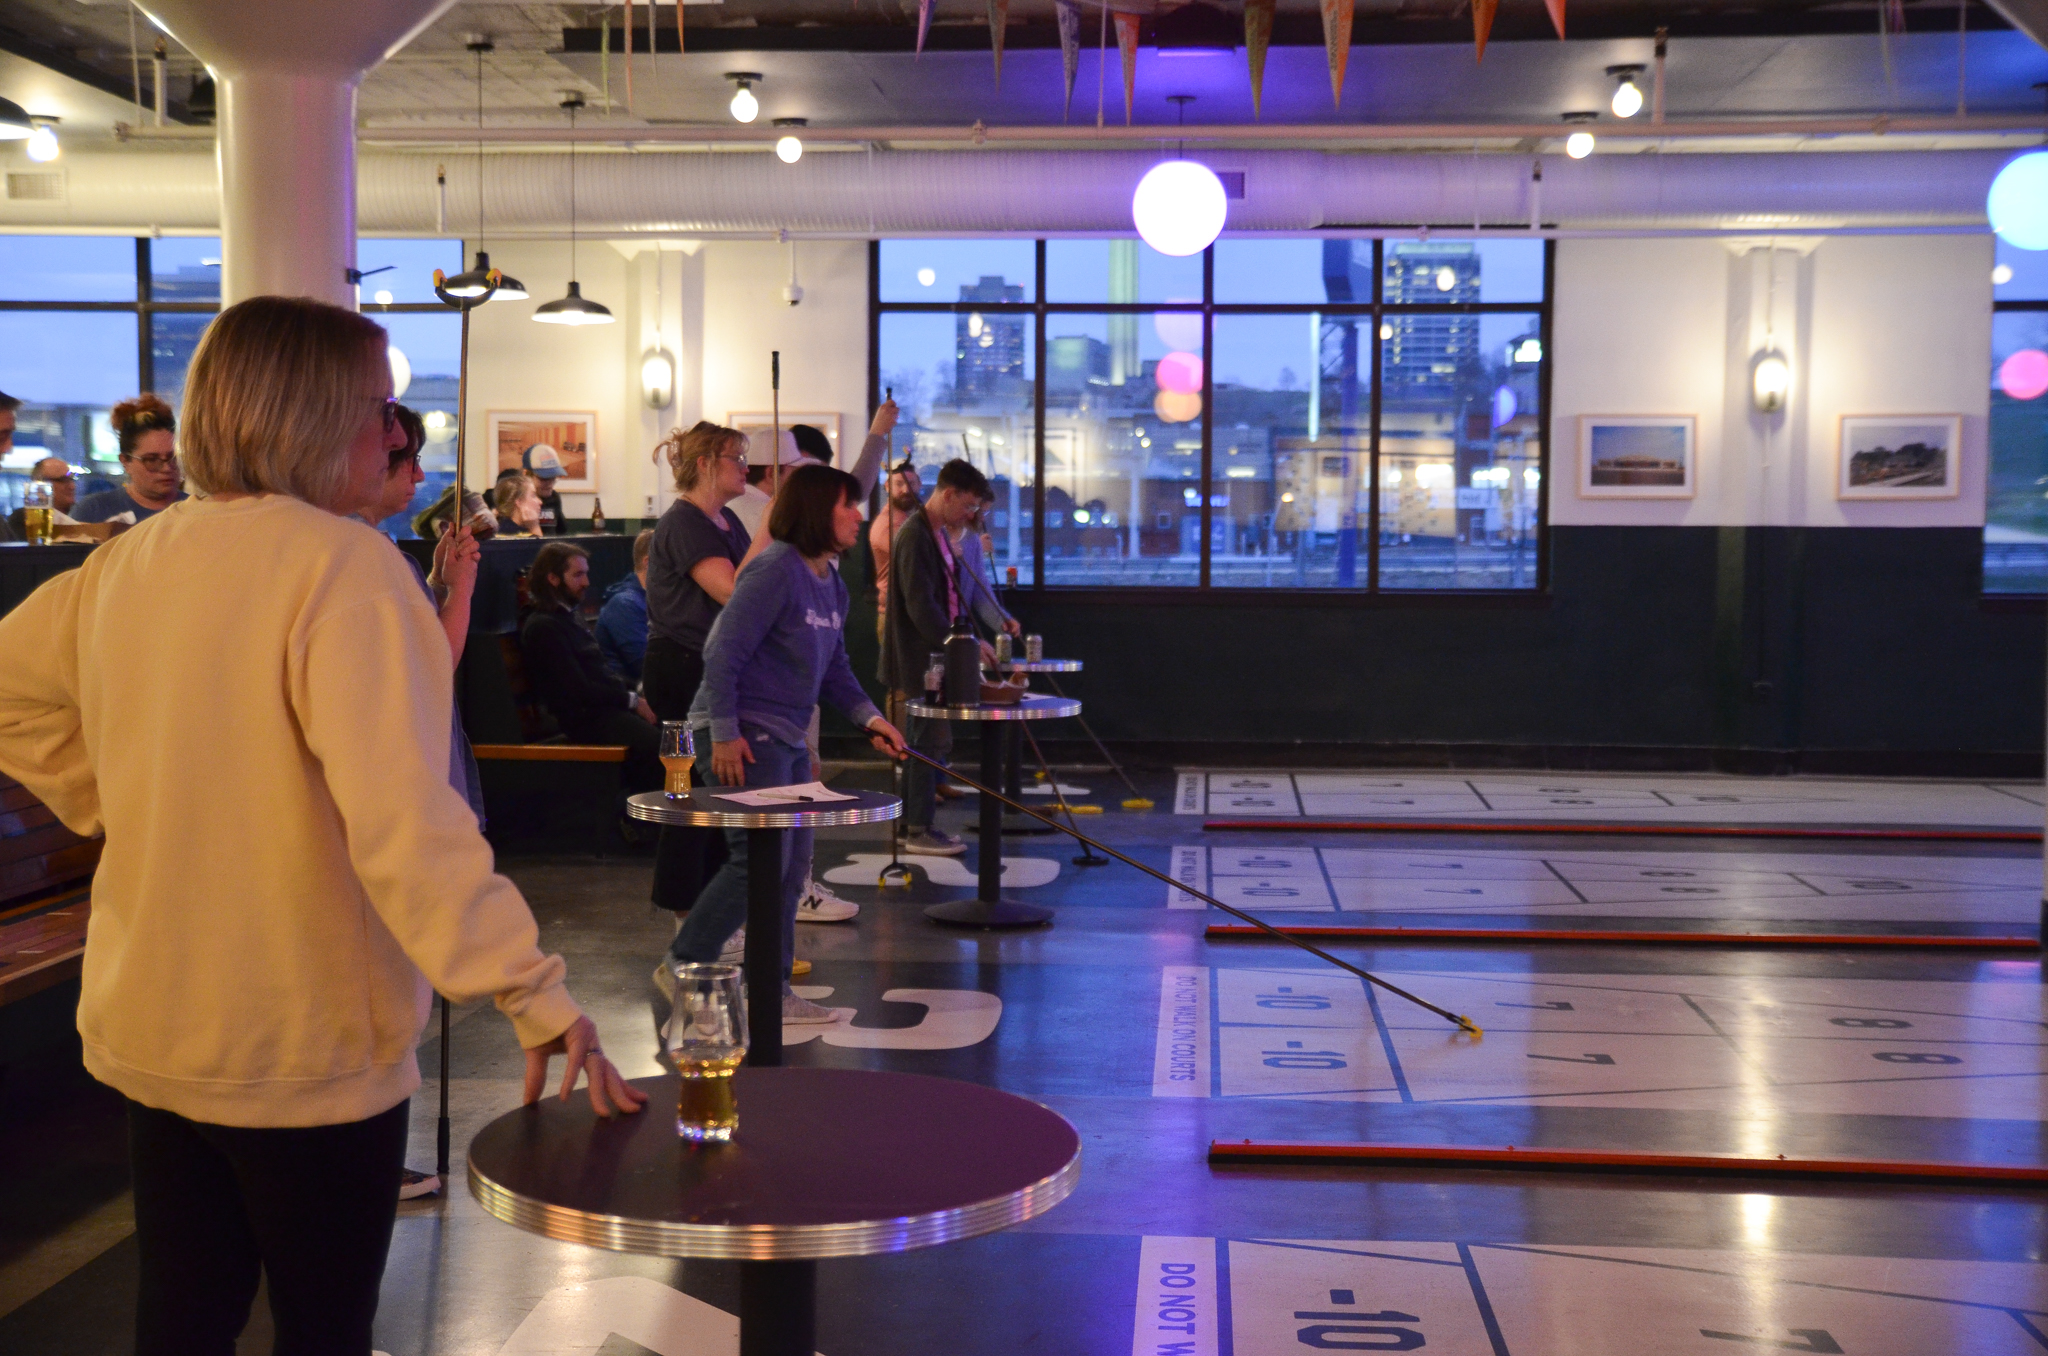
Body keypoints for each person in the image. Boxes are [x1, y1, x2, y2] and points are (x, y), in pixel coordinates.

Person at [0, 295, 643, 1354]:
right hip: (305, 1036)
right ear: (312, 413)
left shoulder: (125, 563)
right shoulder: (345, 569)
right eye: (380, 407)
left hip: (154, 1026)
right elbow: (407, 828)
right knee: (324, 1329)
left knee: (183, 1319)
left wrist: (115, 794)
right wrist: (532, 992)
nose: (395, 434)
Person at [666, 463, 907, 1024]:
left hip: (787, 736)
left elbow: (837, 669)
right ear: (818, 511)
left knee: (792, 868)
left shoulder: (832, 580)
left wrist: (873, 720)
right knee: (758, 863)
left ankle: (771, 991)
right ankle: (686, 962)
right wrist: (723, 734)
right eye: (847, 505)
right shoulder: (775, 569)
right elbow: (721, 654)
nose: (857, 515)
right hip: (741, 732)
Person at [347, 403, 485, 1201]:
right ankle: (371, 1160)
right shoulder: (360, 553)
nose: (420, 479)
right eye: (407, 464)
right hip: (397, 793)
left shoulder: (379, 553)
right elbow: (433, 661)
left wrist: (435, 580)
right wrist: (460, 590)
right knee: (389, 983)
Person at [643, 422, 752, 922]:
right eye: (737, 457)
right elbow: (734, 590)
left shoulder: (726, 519)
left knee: (717, 791)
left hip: (709, 672)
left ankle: (711, 910)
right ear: (707, 463)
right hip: (680, 670)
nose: (746, 466)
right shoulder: (685, 522)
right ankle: (684, 913)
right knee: (685, 790)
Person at [882, 458, 998, 856]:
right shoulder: (915, 535)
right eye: (968, 506)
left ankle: (911, 825)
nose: (971, 516)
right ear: (947, 495)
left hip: (932, 655)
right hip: (919, 659)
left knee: (925, 743)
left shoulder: (938, 535)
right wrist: (961, 644)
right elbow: (921, 607)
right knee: (921, 744)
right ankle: (917, 828)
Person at [520, 541, 661, 785]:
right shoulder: (543, 627)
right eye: (578, 575)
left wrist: (636, 694)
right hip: (585, 720)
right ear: (553, 578)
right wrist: (632, 700)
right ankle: (645, 817)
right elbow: (578, 689)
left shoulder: (567, 617)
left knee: (674, 729)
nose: (586, 582)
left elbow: (600, 674)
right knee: (660, 747)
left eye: (586, 573)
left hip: (602, 709)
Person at [72, 394, 186, 523]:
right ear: (125, 461)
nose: (166, 468)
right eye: (152, 460)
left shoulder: (197, 510)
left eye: (173, 458)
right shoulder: (93, 511)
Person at [869, 460, 923, 634]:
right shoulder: (889, 524)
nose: (906, 490)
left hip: (910, 613)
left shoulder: (912, 518)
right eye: (899, 484)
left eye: (911, 483)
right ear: (887, 486)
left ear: (919, 485)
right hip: (895, 617)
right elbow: (919, 558)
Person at [596, 528, 654, 683]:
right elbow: (645, 667)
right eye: (673, 560)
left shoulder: (649, 598)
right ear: (648, 563)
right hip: (629, 695)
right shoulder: (624, 604)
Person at [6, 456, 80, 537]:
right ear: (40, 486)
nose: (72, 487)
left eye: (71, 479)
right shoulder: (25, 520)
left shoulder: (82, 514)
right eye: (62, 480)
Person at [523, 444, 568, 534]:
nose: (550, 484)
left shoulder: (554, 498)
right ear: (527, 475)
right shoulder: (517, 501)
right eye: (544, 479)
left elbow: (561, 532)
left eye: (553, 478)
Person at [495, 471, 542, 537]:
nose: (540, 502)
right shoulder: (515, 536)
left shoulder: (500, 526)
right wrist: (534, 527)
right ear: (519, 501)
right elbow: (541, 547)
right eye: (533, 495)